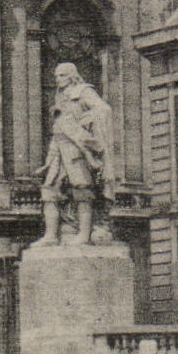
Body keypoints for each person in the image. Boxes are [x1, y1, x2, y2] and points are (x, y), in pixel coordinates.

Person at [33, 62, 113, 246]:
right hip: (58, 147)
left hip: (77, 148)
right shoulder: (60, 97)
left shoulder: (83, 91)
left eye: (62, 75)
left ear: (72, 76)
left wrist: (84, 124)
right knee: (49, 189)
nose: (58, 79)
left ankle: (84, 235)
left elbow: (103, 109)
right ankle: (50, 236)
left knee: (81, 189)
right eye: (56, 76)